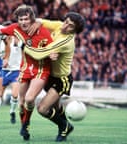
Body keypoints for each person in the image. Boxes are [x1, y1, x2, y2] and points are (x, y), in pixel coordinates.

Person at [0, 4, 53, 140]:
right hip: (19, 68)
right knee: (19, 102)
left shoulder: (42, 31)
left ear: (31, 19)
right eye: (21, 19)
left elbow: (52, 45)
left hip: (33, 69)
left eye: (26, 19)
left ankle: (18, 123)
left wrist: (53, 53)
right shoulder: (14, 28)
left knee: (23, 97)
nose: (23, 22)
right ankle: (21, 124)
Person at [24, 12, 86, 142]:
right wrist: (35, 24)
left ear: (74, 30)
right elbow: (40, 20)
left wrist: (25, 45)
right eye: (66, 21)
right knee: (56, 108)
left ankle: (65, 126)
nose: (65, 26)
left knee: (42, 109)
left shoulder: (66, 42)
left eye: (70, 26)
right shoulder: (59, 25)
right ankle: (64, 128)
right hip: (50, 76)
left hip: (61, 79)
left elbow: (41, 52)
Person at [1, 34, 22, 124]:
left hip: (16, 71)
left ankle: (12, 111)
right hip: (4, 71)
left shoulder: (17, 41)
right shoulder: (1, 43)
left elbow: (24, 48)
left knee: (15, 94)